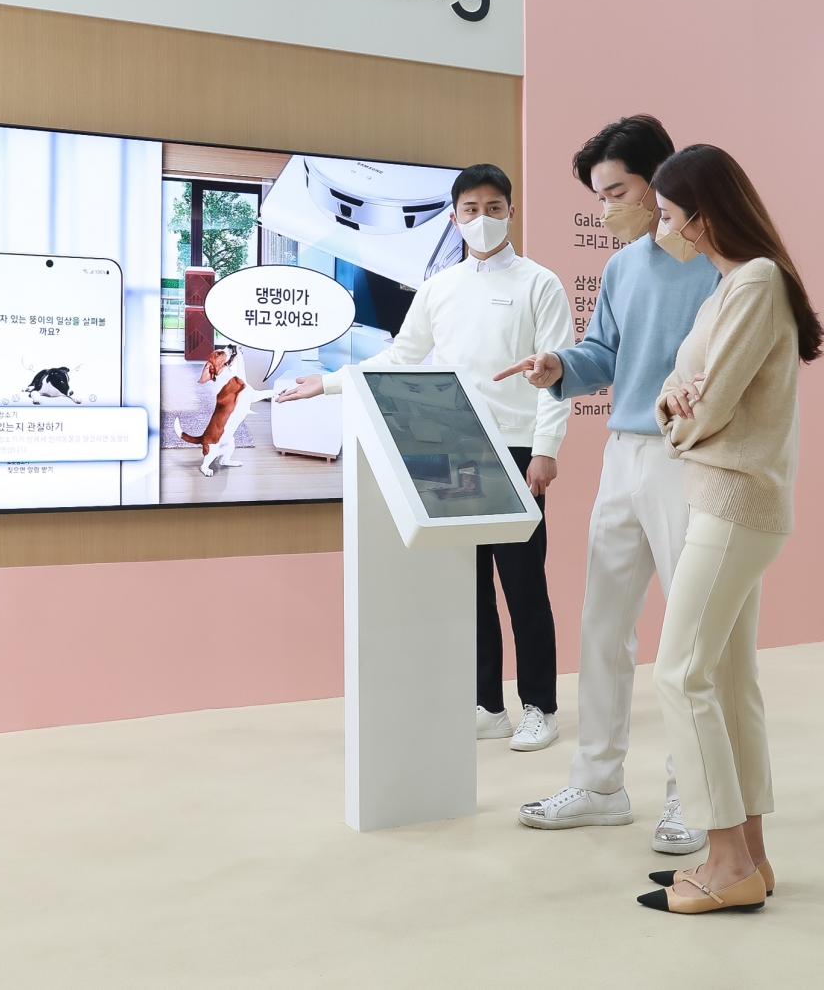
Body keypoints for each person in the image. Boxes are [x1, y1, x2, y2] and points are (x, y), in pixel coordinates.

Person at [277, 164, 573, 750]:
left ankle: (541, 705)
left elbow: (556, 374)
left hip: (517, 450)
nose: (482, 219)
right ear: (454, 218)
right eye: (470, 210)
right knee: (469, 587)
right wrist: (328, 382)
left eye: (493, 208)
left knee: (524, 587)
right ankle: (488, 704)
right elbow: (401, 358)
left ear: (511, 212)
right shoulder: (440, 287)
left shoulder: (541, 283)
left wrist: (546, 451)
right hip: (457, 446)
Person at [496, 116, 720, 855]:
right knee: (602, 625)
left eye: (617, 192)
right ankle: (598, 785)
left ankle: (696, 798)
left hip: (691, 457)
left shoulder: (722, 264)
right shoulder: (624, 267)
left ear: (662, 182)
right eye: (598, 196)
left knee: (691, 638)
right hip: (623, 456)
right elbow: (603, 352)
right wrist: (559, 366)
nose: (605, 209)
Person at [634, 145, 820, 913]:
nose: (662, 229)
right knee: (729, 678)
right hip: (730, 498)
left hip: (734, 501)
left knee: (680, 673)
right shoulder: (728, 286)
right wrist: (675, 402)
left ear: (703, 215)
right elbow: (679, 389)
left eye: (668, 215)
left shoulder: (754, 282)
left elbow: (708, 407)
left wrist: (679, 417)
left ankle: (725, 864)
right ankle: (752, 856)